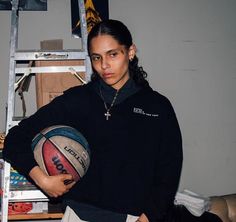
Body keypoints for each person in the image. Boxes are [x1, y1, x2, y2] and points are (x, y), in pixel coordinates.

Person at [3, 20, 222, 222]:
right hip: (79, 215)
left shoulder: (158, 108)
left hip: (134, 218)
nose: (104, 65)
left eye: (113, 54)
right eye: (97, 57)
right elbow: (15, 139)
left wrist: (147, 218)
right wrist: (42, 180)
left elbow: (168, 173)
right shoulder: (77, 99)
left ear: (131, 52)